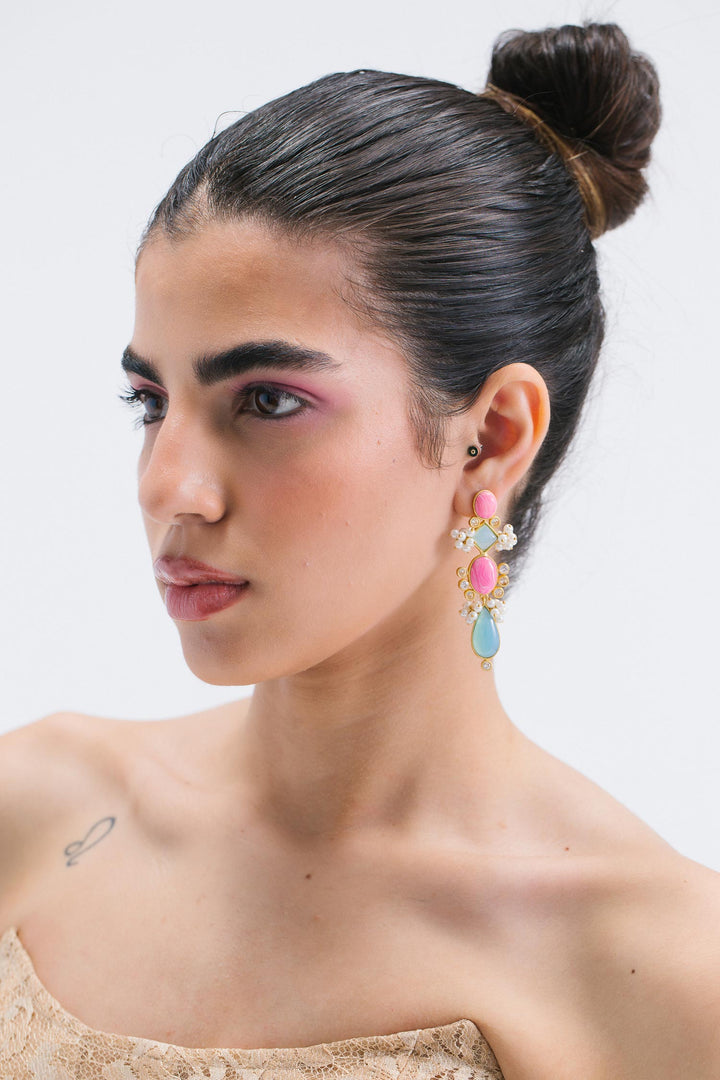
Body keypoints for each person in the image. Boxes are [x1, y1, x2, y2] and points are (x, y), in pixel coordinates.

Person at [1, 19, 719, 1080]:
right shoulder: (34, 807)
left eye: (267, 400)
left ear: (493, 436)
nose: (168, 488)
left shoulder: (658, 975)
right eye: (150, 400)